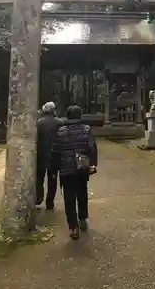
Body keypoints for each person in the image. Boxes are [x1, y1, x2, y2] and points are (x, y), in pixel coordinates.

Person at [50, 105, 98, 240]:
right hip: (82, 168)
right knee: (82, 193)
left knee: (69, 198)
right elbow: (92, 148)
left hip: (66, 169)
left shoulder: (60, 132)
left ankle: (73, 227)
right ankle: (82, 218)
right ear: (80, 116)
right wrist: (93, 164)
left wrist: (53, 170)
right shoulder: (87, 130)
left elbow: (55, 152)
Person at [36, 101, 63, 210]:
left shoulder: (39, 123)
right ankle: (50, 202)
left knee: (39, 178)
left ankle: (38, 198)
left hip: (41, 155)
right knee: (52, 179)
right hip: (55, 155)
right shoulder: (59, 122)